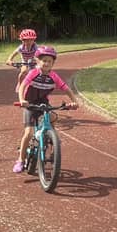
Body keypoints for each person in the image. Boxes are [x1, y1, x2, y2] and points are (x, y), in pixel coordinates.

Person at [13, 45, 77, 173]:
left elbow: (66, 89)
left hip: (43, 104)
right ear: (38, 61)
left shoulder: (54, 76)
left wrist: (74, 102)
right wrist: (22, 100)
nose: (46, 63)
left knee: (53, 118)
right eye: (44, 60)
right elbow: (23, 86)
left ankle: (53, 142)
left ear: (53, 63)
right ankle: (20, 160)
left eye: (49, 61)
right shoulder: (33, 73)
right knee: (29, 133)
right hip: (30, 104)